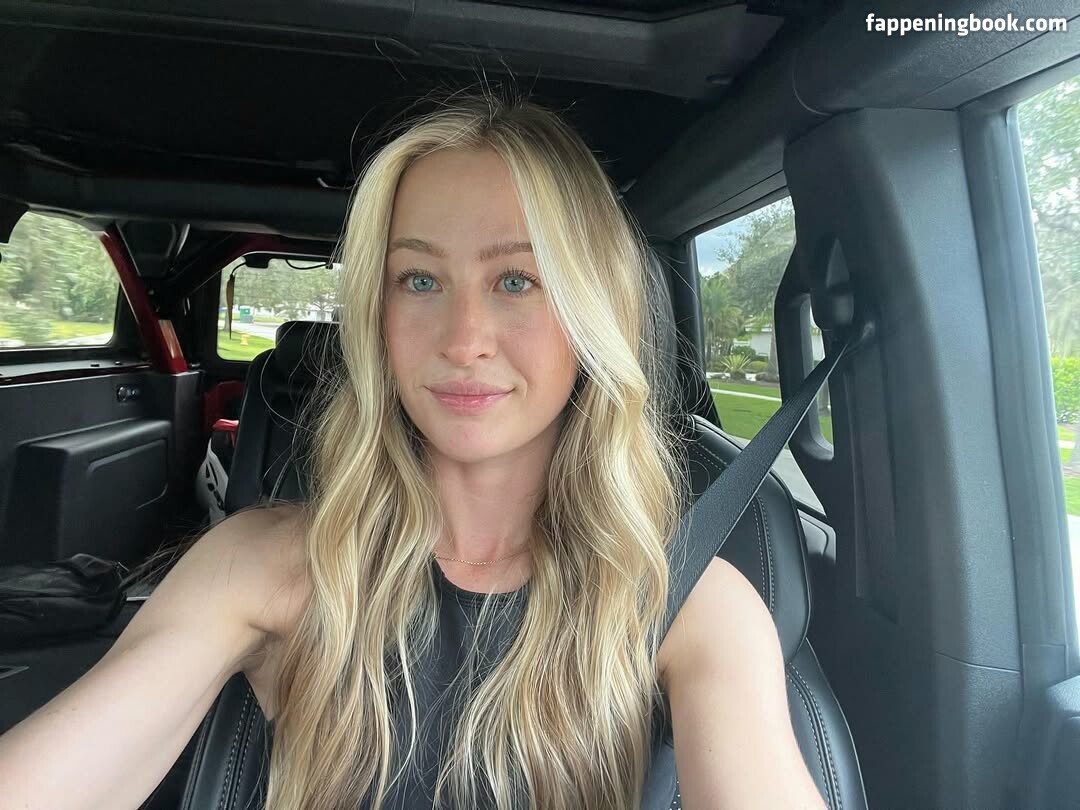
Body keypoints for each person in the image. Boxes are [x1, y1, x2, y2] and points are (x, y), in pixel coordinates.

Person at [0, 90, 824, 810]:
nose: (463, 340)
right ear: (378, 317)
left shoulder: (689, 603)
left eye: (516, 280)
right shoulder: (263, 566)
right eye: (419, 281)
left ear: (592, 313)